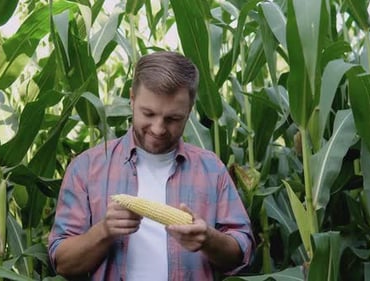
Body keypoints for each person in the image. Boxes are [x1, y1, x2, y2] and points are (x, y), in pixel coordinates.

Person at [48, 51, 254, 281]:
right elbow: (62, 262)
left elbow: (241, 252)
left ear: (190, 109)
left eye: (173, 118)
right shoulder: (86, 168)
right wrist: (104, 231)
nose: (158, 128)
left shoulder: (211, 169)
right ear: (132, 99)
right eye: (148, 113)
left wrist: (208, 239)